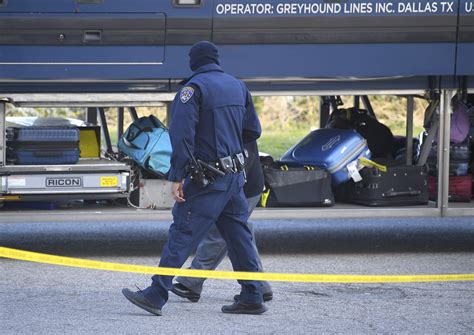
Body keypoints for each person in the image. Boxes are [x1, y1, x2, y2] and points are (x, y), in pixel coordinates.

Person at [122, 41, 268, 316]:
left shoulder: (193, 90)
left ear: (195, 62)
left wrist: (177, 177)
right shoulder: (238, 86)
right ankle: (252, 294)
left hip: (209, 180)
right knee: (239, 237)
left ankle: (155, 294)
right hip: (235, 178)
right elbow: (253, 131)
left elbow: (181, 136)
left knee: (182, 232)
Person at [171, 140, 273, 303]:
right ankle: (259, 285)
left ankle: (192, 282)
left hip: (242, 184)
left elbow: (250, 140)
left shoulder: (236, 119)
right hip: (236, 181)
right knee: (241, 232)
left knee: (219, 232)